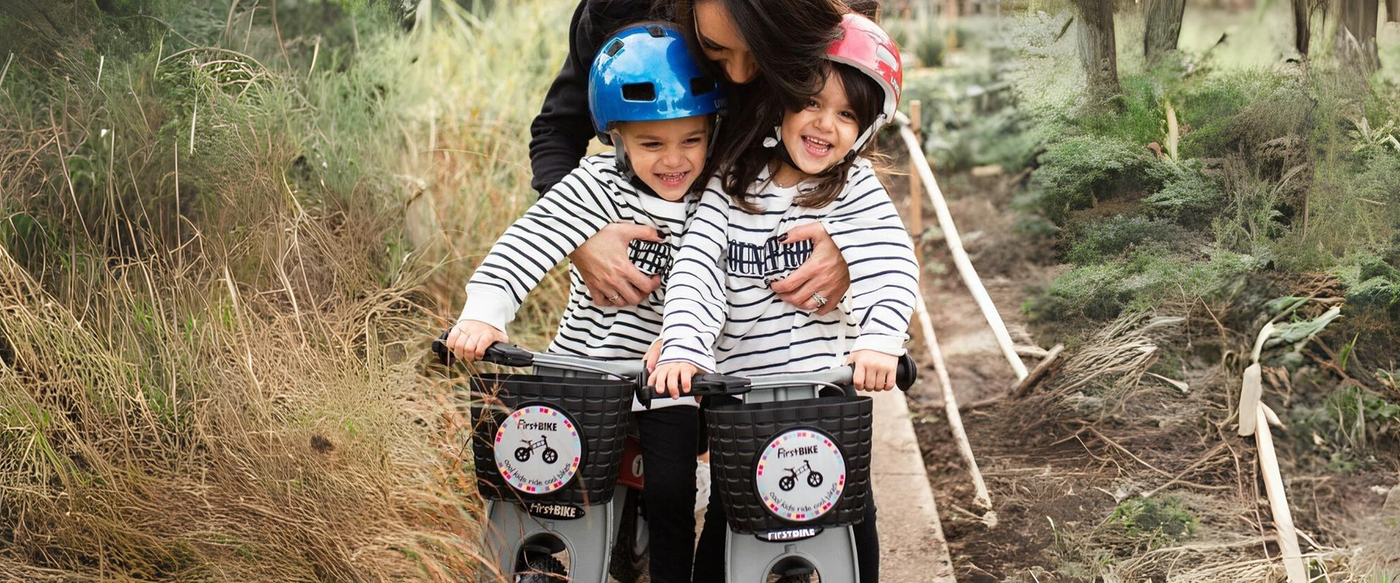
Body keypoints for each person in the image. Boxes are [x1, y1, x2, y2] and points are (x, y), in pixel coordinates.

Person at [443, 23, 723, 583]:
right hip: (585, 368)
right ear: (615, 136)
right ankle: (541, 560)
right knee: (539, 473)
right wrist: (483, 312)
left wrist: (687, 341)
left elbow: (718, 282)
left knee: (672, 490)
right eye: (651, 143)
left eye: (691, 139)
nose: (674, 161)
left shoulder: (716, 196)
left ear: (713, 129)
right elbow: (529, 241)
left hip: (665, 379)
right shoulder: (594, 186)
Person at [647, 15, 913, 583]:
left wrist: (880, 342)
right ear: (782, 104)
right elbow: (696, 268)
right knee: (726, 522)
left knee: (850, 512)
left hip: (821, 395)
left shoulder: (854, 192)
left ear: (866, 131)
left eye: (847, 115)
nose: (825, 125)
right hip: (739, 405)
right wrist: (684, 347)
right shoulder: (729, 183)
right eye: (812, 103)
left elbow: (889, 262)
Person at [531, 0, 882, 317]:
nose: (739, 75)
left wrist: (849, 249)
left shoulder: (833, 20)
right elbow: (558, 130)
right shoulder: (617, 8)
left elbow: (849, 133)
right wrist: (580, 237)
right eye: (714, 47)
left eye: (760, 55)